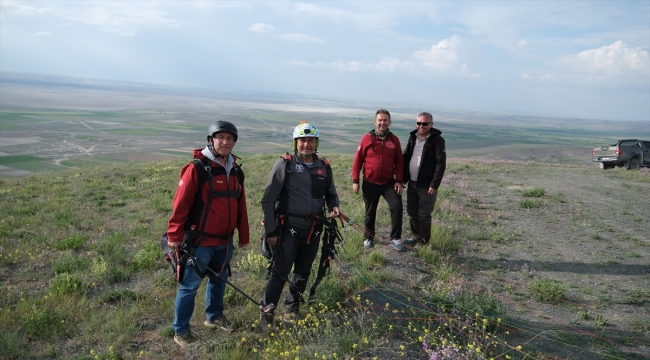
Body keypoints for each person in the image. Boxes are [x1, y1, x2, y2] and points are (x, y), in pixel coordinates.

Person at [166, 120, 249, 348]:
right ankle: (180, 331)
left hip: (225, 242)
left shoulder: (235, 170)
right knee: (189, 286)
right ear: (211, 140)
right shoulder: (197, 168)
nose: (225, 142)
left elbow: (240, 205)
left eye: (230, 138)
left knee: (219, 281)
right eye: (220, 137)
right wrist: (174, 234)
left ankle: (214, 317)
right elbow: (180, 204)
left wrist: (243, 236)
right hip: (199, 242)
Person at [260, 121, 340, 328]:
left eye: (310, 140)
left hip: (313, 229)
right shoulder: (285, 165)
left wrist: (334, 207)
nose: (306, 144)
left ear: (316, 142)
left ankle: (292, 307)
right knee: (280, 271)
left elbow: (331, 194)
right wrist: (270, 230)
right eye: (302, 140)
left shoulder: (324, 167)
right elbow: (268, 199)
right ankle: (267, 311)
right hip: (288, 228)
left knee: (303, 271)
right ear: (296, 143)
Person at [351, 109, 405, 251]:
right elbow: (358, 161)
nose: (382, 122)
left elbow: (399, 162)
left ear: (389, 122)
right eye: (380, 120)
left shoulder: (394, 140)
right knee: (370, 212)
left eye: (385, 120)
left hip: (389, 183)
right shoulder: (366, 139)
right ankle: (368, 239)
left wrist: (399, 181)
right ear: (375, 122)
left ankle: (395, 239)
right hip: (370, 183)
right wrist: (355, 180)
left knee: (397, 207)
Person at [402, 112, 446, 246]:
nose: (421, 126)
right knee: (412, 213)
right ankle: (416, 238)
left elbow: (440, 163)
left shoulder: (437, 140)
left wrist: (435, 184)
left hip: (427, 185)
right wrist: (401, 178)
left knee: (424, 215)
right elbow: (405, 157)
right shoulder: (412, 137)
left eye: (424, 123)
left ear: (431, 125)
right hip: (412, 182)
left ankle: (424, 243)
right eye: (419, 123)